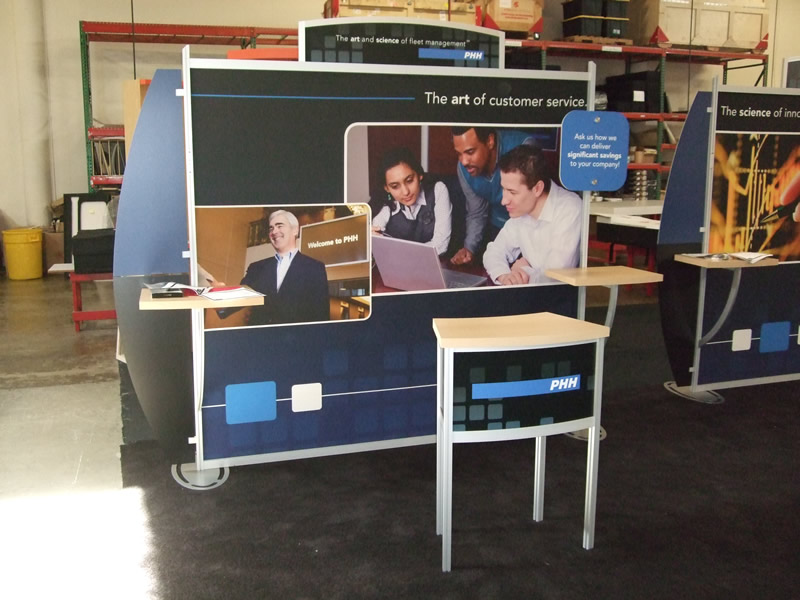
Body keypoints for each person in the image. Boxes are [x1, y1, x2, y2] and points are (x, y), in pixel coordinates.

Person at [482, 144, 582, 286]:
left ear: (537, 189)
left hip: (561, 297)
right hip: (529, 293)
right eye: (504, 189)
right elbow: (494, 251)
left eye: (512, 192)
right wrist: (505, 276)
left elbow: (555, 277)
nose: (504, 201)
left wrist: (523, 270)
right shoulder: (521, 210)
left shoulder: (570, 208)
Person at [450, 126, 537, 265]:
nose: (464, 161)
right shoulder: (463, 169)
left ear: (490, 141)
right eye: (459, 154)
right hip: (496, 228)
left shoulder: (525, 147)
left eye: (470, 152)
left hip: (531, 229)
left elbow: (534, 204)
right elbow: (477, 212)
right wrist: (469, 248)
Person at [238, 210, 330, 326]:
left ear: (295, 230)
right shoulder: (256, 268)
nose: (274, 231)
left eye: (279, 226)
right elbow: (236, 299)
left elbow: (321, 316)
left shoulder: (315, 268)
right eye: (271, 228)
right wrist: (218, 292)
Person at [371, 147, 452, 256]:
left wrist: (399, 252)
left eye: (409, 181)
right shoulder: (384, 204)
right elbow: (376, 242)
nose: (405, 192)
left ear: (419, 175)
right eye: (395, 186)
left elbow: (441, 245)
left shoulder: (438, 190)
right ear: (387, 188)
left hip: (434, 263)